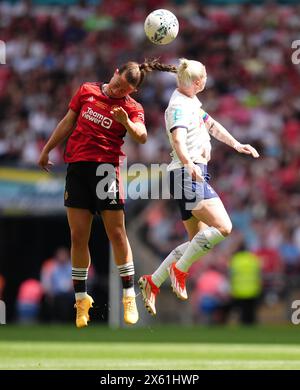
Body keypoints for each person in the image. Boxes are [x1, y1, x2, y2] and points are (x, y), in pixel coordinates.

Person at [38, 60, 177, 327]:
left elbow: (142, 136)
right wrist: (47, 149)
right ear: (114, 72)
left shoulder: (131, 108)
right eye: (116, 84)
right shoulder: (87, 90)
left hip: (105, 172)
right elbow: (68, 121)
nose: (116, 91)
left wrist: (127, 122)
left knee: (116, 233)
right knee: (79, 236)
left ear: (132, 91)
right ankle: (82, 300)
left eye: (123, 89)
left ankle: (128, 295)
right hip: (77, 170)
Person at [138, 58, 259, 316]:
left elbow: (211, 125)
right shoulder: (179, 107)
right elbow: (178, 140)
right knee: (224, 227)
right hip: (187, 172)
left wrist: (237, 144)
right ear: (197, 81)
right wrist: (188, 163)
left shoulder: (191, 101)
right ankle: (179, 270)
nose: (206, 80)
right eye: (204, 76)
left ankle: (153, 281)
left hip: (188, 171)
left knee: (195, 242)